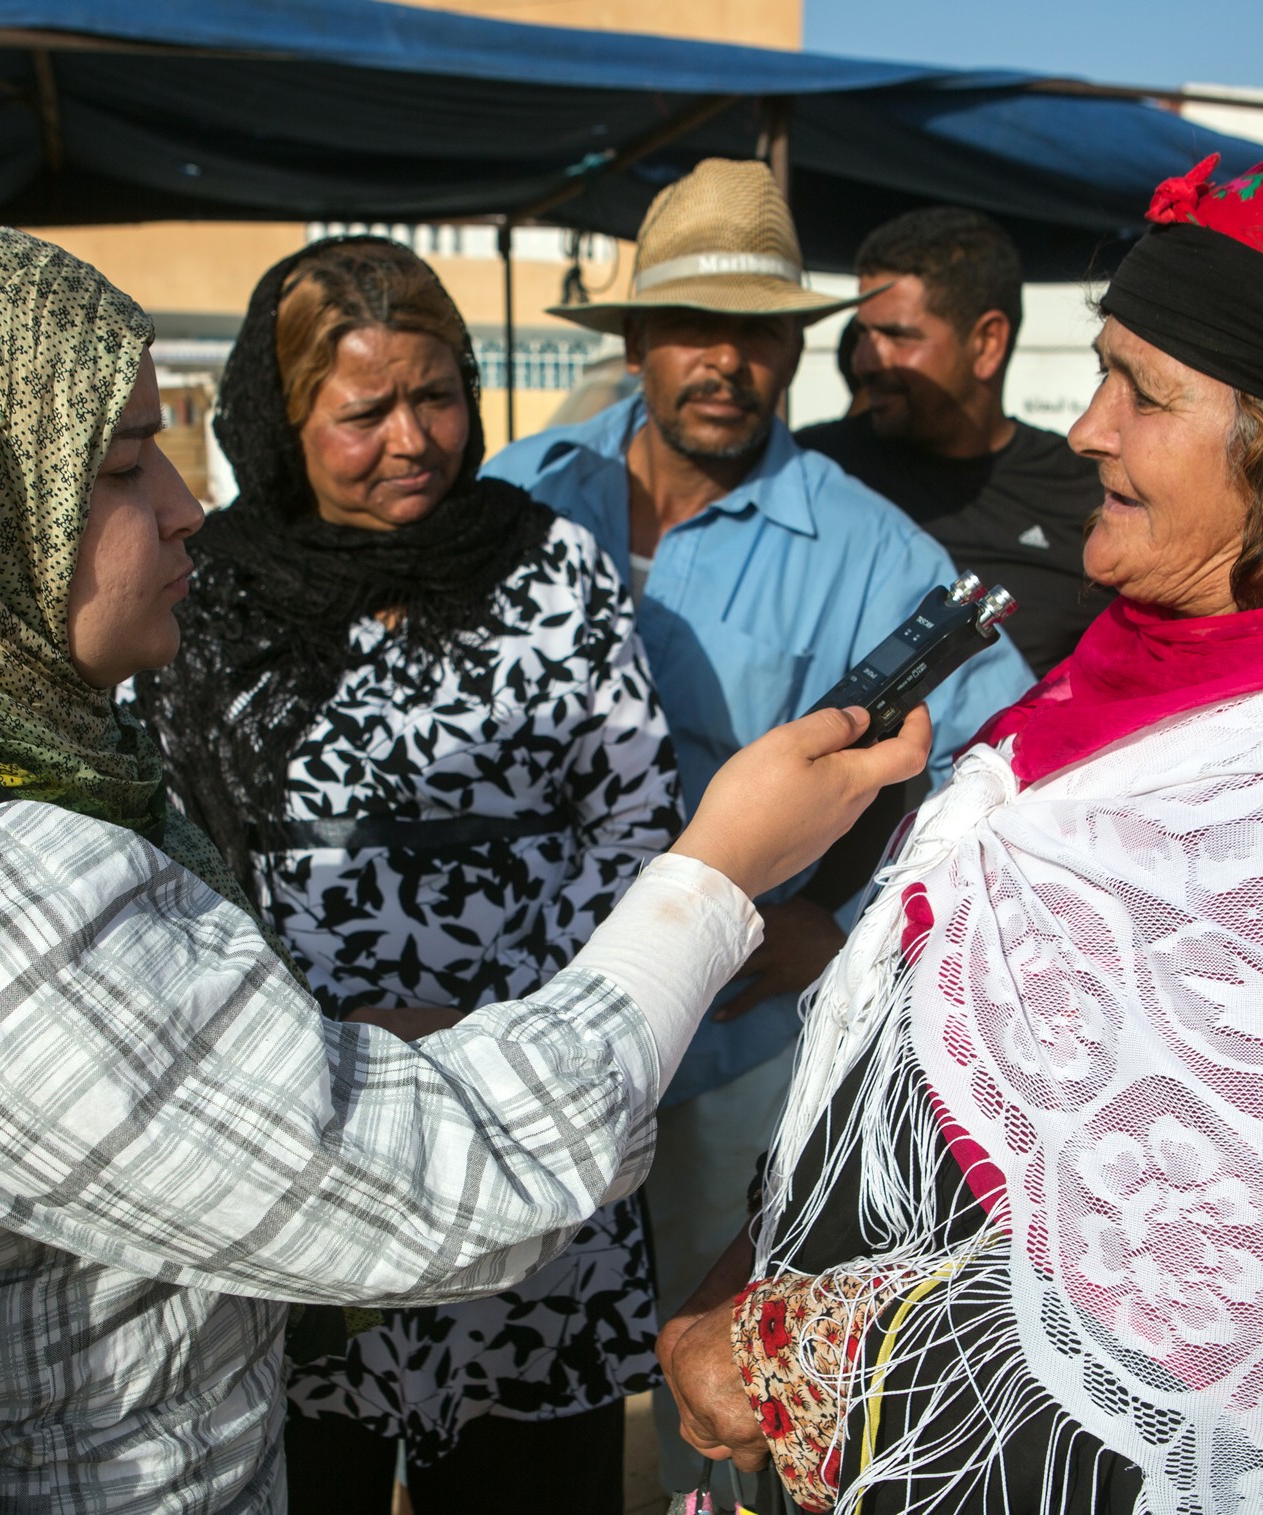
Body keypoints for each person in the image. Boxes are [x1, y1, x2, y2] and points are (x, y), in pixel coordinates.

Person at [0, 217, 936, 1514]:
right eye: (120, 462)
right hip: (385, 1162)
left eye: (437, 396)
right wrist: (717, 872)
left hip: (408, 1108)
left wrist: (401, 1023)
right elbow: (448, 1176)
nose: (184, 506)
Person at [658, 158, 1263, 1514]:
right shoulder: (1151, 668)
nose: (1089, 430)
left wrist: (779, 1356)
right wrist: (756, 1267)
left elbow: (1223, 1279)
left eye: (1144, 393)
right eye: (1100, 371)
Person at [483, 158, 1036, 1501]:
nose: (726, 362)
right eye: (694, 326)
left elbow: (1002, 778)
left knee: (731, 1416)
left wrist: (833, 929)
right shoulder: (516, 494)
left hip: (729, 1064)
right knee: (512, 1399)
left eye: (760, 331)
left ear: (797, 348)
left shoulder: (870, 549)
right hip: (515, 1036)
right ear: (637, 340)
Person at [130, 237, 681, 1513]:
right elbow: (162, 846)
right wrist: (324, 1034)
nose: (413, 439)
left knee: (525, 1482)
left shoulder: (550, 568)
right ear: (280, 419)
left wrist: (500, 1026)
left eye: (434, 396)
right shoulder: (206, 592)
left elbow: (634, 822)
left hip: (526, 1106)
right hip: (292, 1120)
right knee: (303, 1469)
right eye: (363, 410)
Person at [797, 208, 1111, 677]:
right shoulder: (810, 474)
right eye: (862, 333)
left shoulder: (1090, 496)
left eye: (897, 336)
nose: (864, 360)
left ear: (986, 343)